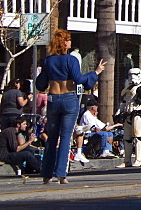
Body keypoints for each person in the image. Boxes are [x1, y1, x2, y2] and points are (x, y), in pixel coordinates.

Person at [35, 28, 105, 184]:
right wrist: (95, 72)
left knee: (52, 138)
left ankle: (46, 174)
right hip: (69, 98)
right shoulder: (71, 60)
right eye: (69, 40)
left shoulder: (48, 61)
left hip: (53, 98)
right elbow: (79, 78)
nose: (70, 42)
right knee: (66, 137)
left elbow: (40, 84)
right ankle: (61, 174)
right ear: (64, 43)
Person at [116, 68, 141, 168]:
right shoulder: (128, 88)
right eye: (130, 75)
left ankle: (138, 159)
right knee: (127, 137)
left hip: (137, 114)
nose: (132, 77)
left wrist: (137, 110)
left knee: (137, 136)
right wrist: (118, 112)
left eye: (134, 75)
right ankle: (127, 160)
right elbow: (124, 101)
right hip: (127, 113)